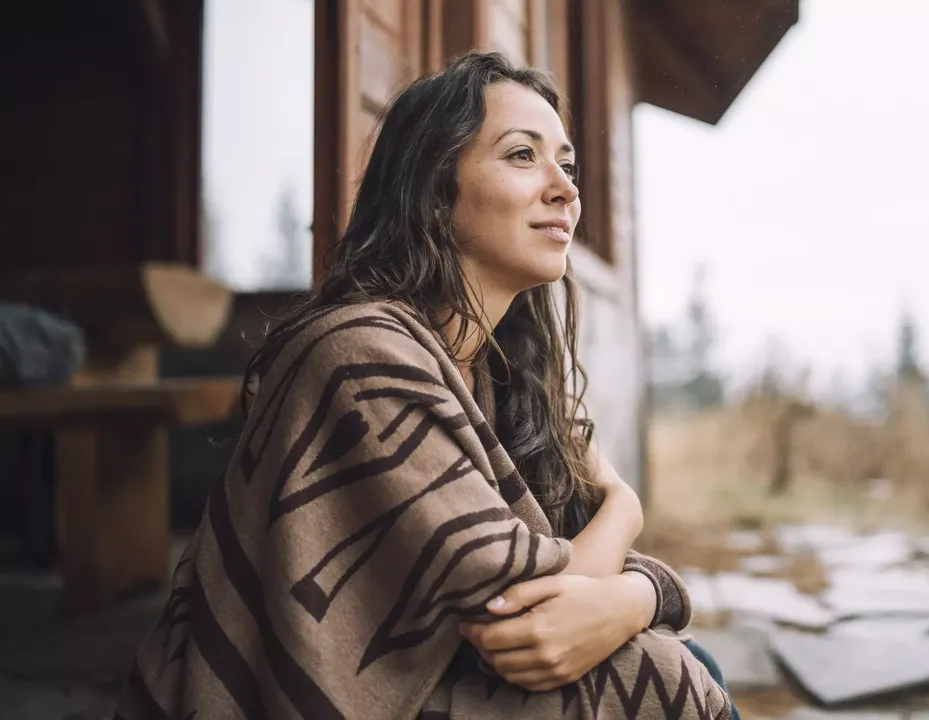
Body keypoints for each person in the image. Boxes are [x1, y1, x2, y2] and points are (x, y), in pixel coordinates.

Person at [115, 51, 739, 720]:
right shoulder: (359, 356)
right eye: (522, 156)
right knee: (663, 672)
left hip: (428, 678)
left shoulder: (494, 375)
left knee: (685, 662)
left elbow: (571, 605)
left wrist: (630, 590)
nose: (564, 188)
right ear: (435, 190)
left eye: (567, 163)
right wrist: (633, 528)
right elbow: (532, 618)